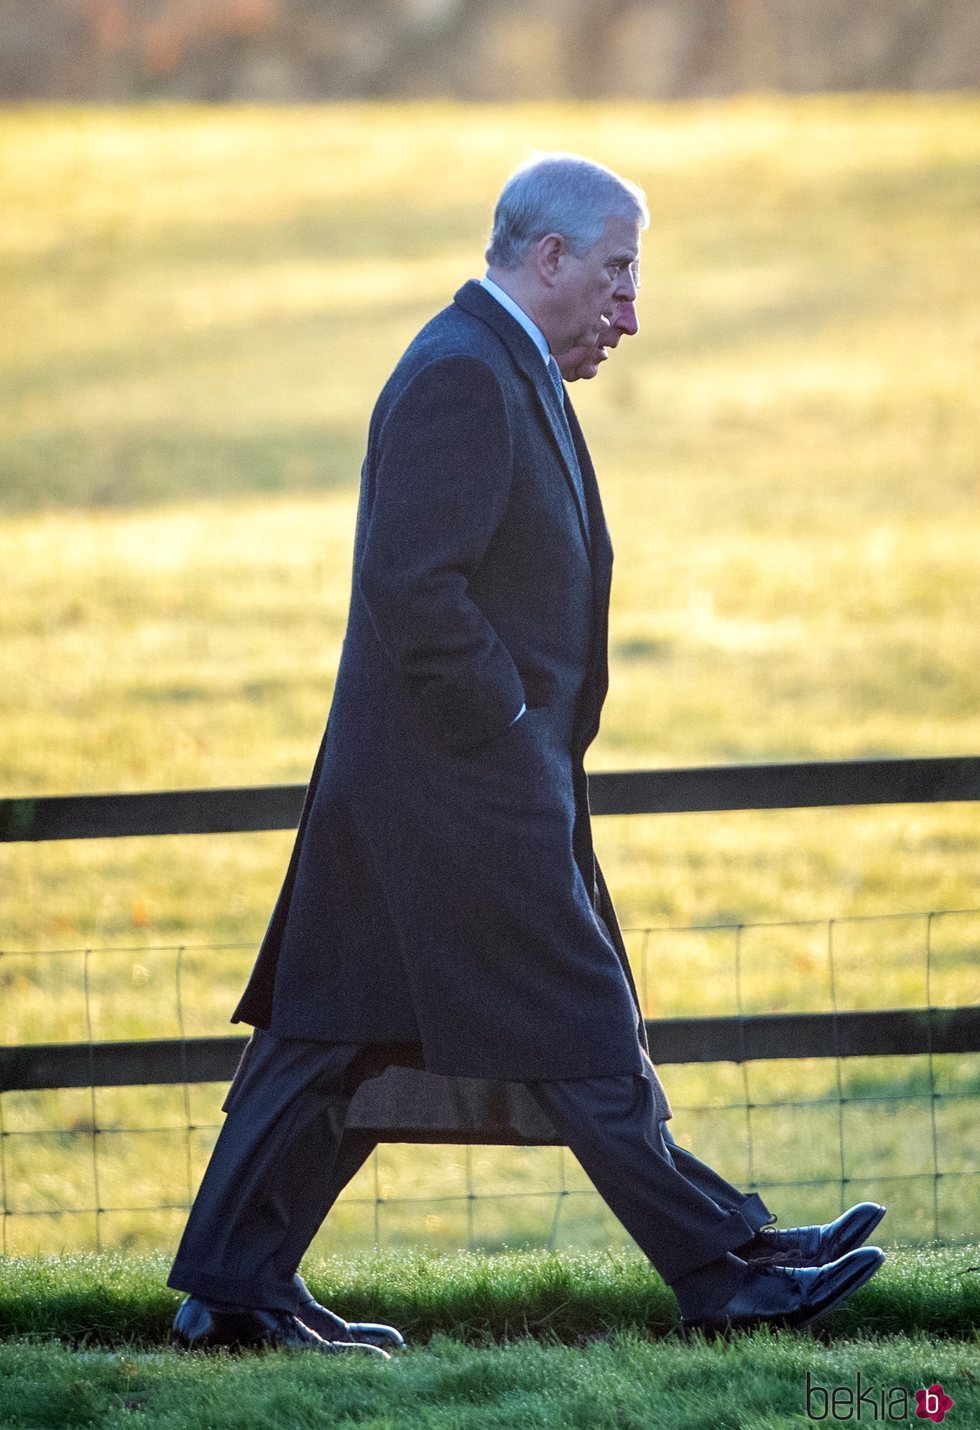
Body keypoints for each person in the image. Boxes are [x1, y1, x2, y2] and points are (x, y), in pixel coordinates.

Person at [168, 154, 885, 1353]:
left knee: (328, 1038)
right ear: (545, 257)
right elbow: (414, 586)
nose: (630, 310)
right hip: (459, 801)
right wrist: (504, 736)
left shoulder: (500, 363)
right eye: (615, 274)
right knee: (582, 1025)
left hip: (433, 797)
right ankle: (725, 1268)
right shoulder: (461, 374)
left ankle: (233, 1292)